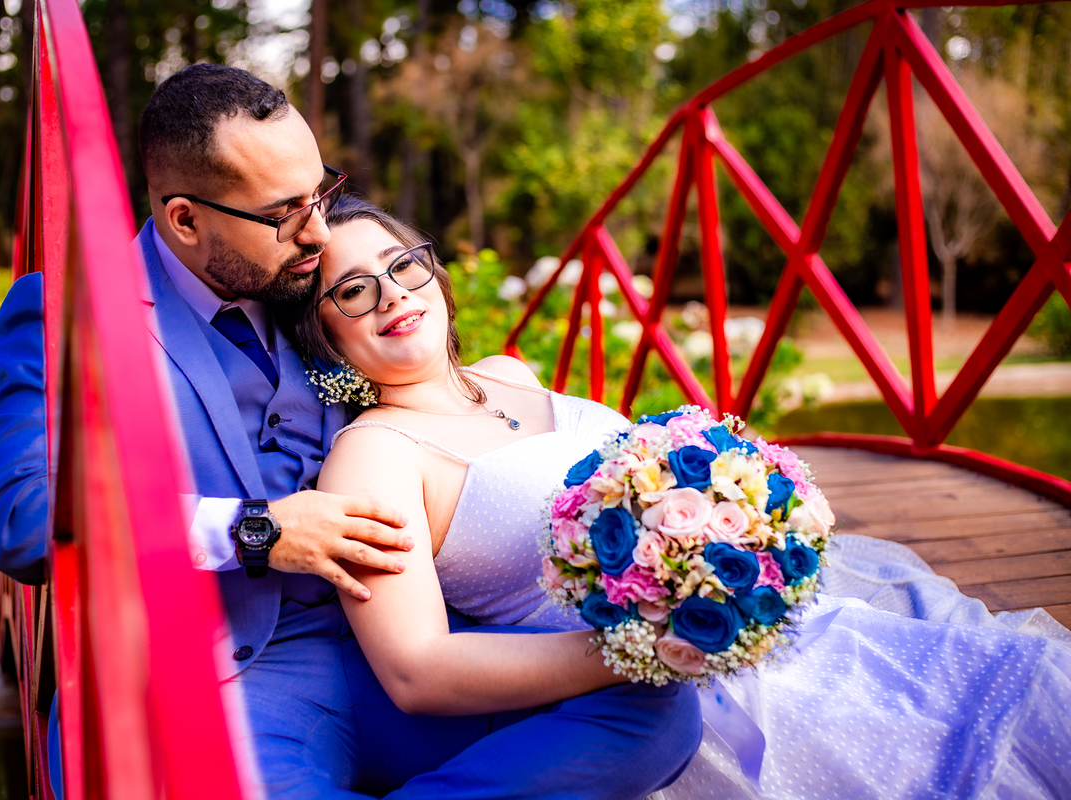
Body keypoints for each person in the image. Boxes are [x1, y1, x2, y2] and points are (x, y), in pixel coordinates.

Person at [0, 63, 700, 799]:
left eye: (319, 193)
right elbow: (20, 518)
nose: (318, 231)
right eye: (284, 212)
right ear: (186, 220)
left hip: (381, 654)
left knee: (652, 711)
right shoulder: (71, 317)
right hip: (210, 684)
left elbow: (427, 374)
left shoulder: (308, 282)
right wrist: (253, 531)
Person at [299, 195, 1071, 800]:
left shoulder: (508, 374)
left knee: (1010, 689)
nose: (392, 296)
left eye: (403, 266)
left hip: (759, 620)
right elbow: (418, 670)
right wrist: (647, 648)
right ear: (323, 334)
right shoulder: (373, 455)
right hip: (659, 696)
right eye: (354, 291)